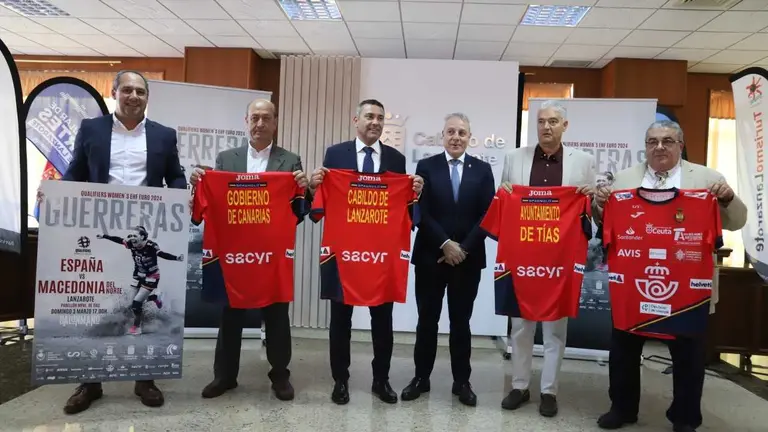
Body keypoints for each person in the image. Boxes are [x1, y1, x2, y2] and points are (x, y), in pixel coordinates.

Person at [593, 120, 747, 432]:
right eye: (652, 141)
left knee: (688, 356)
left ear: (680, 145)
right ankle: (622, 408)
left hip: (689, 289)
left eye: (667, 141)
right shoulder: (623, 180)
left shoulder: (707, 179)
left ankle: (685, 417)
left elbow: (736, 222)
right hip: (634, 286)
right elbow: (605, 222)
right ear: (645, 146)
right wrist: (598, 205)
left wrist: (728, 198)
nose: (659, 147)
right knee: (623, 351)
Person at [58, 70, 186, 414]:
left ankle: (145, 379)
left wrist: (179, 196)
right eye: (126, 90)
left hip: (145, 226)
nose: (133, 96)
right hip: (101, 226)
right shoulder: (91, 129)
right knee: (97, 305)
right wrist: (56, 191)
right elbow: (75, 171)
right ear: (114, 93)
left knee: (136, 307)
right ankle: (90, 382)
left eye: (140, 91)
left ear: (147, 98)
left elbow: (174, 175)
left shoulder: (164, 135)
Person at [188, 99, 308, 401]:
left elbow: (298, 211)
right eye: (255, 118)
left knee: (277, 314)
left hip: (272, 254)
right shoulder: (226, 159)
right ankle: (224, 376)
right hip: (235, 254)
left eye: (266, 118)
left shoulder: (290, 160)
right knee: (231, 316)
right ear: (246, 121)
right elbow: (214, 205)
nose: (260, 124)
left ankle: (280, 375)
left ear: (275, 123)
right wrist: (199, 184)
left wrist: (305, 190)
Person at [308, 98, 423, 405]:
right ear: (355, 120)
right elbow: (318, 206)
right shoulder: (335, 154)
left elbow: (405, 207)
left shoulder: (397, 159)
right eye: (369, 116)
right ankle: (340, 380)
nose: (375, 122)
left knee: (382, 321)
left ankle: (380, 380)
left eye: (380, 118)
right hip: (343, 255)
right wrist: (313, 185)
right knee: (340, 321)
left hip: (381, 256)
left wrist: (415, 191)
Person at [499, 100, 595, 417]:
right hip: (522, 255)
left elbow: (592, 211)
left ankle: (549, 391)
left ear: (564, 126)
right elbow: (503, 201)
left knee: (555, 329)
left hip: (560, 258)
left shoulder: (583, 161)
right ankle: (519, 386)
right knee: (520, 326)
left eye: (553, 121)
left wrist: (590, 197)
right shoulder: (514, 158)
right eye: (541, 121)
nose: (546, 127)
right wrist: (504, 191)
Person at [400, 113, 494, 406]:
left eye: (462, 133)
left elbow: (488, 215)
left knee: (460, 322)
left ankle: (461, 382)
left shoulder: (482, 170)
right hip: (430, 256)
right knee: (426, 320)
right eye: (451, 132)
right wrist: (444, 244)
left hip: (467, 259)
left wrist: (461, 248)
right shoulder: (426, 167)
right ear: (442, 136)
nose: (456, 137)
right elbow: (421, 212)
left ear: (469, 138)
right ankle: (421, 378)